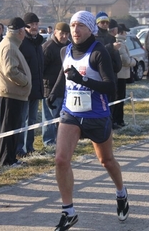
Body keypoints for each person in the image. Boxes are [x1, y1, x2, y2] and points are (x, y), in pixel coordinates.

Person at [46, 11, 129, 230]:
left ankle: (121, 192)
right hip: (71, 113)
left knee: (106, 160)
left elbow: (110, 87)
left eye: (80, 25)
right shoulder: (66, 50)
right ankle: (68, 211)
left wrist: (82, 79)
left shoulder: (98, 51)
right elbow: (63, 76)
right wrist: (54, 93)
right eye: (72, 25)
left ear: (90, 28)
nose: (75, 30)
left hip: (96, 115)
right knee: (61, 160)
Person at [0, 17, 31, 167]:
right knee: (9, 128)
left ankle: (11, 159)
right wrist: (25, 81)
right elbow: (10, 71)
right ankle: (6, 160)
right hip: (11, 94)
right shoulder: (9, 46)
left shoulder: (11, 44)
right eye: (25, 30)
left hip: (14, 93)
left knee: (13, 128)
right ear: (20, 32)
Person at [17, 12, 44, 157]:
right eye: (31, 24)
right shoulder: (22, 43)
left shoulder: (38, 43)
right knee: (22, 120)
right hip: (24, 89)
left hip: (36, 88)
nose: (34, 27)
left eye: (36, 24)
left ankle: (30, 147)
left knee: (32, 120)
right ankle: (19, 149)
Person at [41, 22, 70, 147]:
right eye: (61, 33)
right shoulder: (48, 47)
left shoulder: (69, 47)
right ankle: (49, 142)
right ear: (55, 33)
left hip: (65, 88)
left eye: (66, 34)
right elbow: (41, 69)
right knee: (50, 118)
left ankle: (61, 140)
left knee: (63, 118)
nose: (64, 36)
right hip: (50, 88)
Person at [112, 23, 136, 127]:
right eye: (125, 31)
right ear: (121, 32)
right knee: (119, 99)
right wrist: (134, 62)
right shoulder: (120, 43)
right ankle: (118, 120)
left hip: (121, 75)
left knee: (120, 98)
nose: (126, 33)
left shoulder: (120, 42)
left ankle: (119, 120)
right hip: (120, 75)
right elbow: (125, 60)